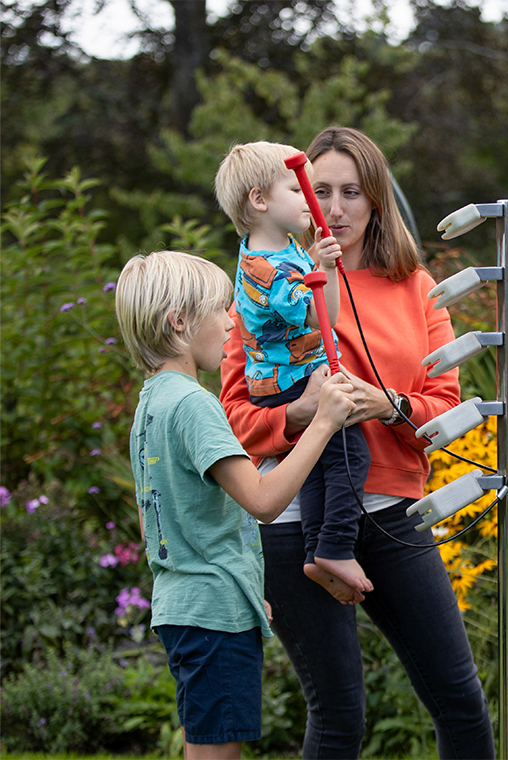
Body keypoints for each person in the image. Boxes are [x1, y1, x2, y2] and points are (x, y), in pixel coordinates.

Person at [219, 126, 495, 759]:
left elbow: (446, 407)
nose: (334, 208)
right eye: (318, 191)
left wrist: (391, 406)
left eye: (351, 192)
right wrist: (299, 416)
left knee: (460, 700)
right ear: (291, 196)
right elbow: (237, 416)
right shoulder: (269, 283)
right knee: (339, 712)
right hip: (294, 523)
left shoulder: (417, 286)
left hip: (393, 513)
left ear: (376, 200)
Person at [116, 250, 355, 760]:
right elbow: (265, 501)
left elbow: (154, 518)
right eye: (221, 309)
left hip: (183, 606)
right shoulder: (193, 404)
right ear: (178, 322)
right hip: (212, 616)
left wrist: (242, 587)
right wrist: (324, 422)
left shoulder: (150, 404)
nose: (232, 322)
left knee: (201, 745)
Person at [215, 140, 373, 598]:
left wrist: (321, 267)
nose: (311, 202)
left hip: (286, 380)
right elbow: (321, 320)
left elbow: (328, 316)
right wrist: (326, 268)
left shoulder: (278, 252)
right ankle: (337, 546)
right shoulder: (272, 271)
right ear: (260, 201)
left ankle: (316, 551)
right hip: (292, 384)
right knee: (350, 455)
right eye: (299, 190)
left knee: (319, 467)